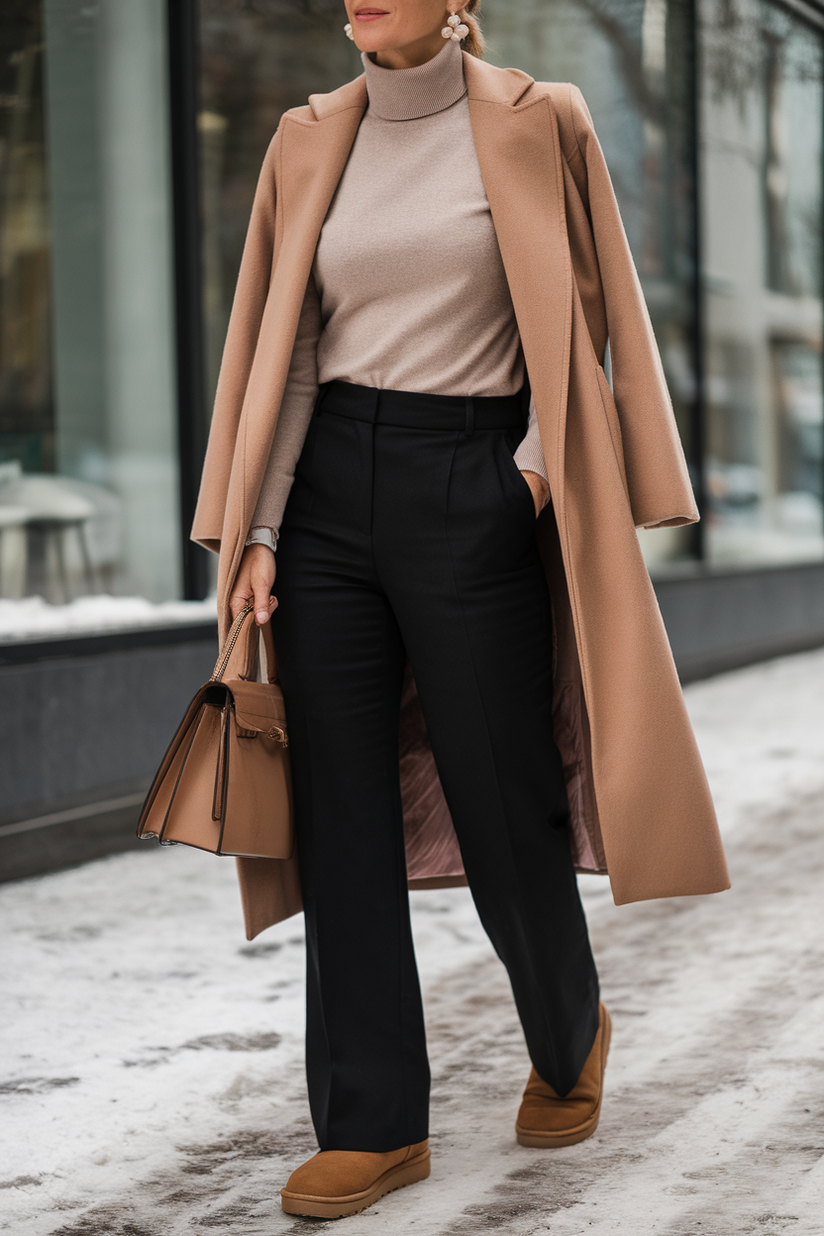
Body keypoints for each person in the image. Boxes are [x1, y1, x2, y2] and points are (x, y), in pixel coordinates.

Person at [192, 0, 730, 1220]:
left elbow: (583, 319)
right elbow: (289, 348)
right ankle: (372, 1121)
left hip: (470, 475)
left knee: (502, 793)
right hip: (325, 491)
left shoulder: (542, 120)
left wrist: (529, 473)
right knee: (338, 809)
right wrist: (262, 527)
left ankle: (566, 1028)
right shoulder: (305, 134)